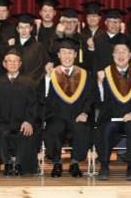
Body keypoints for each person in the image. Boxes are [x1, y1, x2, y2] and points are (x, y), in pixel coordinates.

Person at [96, 35, 131, 181]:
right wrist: (100, 84)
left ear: (130, 55)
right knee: (106, 128)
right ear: (113, 55)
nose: (120, 55)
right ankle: (104, 165)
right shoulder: (105, 73)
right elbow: (101, 100)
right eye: (117, 52)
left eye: (124, 51)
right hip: (111, 116)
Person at [42, 37, 95, 177]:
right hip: (57, 115)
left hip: (77, 115)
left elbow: (90, 97)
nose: (67, 56)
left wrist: (84, 113)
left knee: (81, 128)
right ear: (58, 55)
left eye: (70, 52)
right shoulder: (51, 74)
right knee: (54, 128)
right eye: (64, 52)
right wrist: (47, 78)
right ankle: (57, 163)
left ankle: (75, 163)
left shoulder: (84, 74)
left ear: (75, 55)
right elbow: (44, 98)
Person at [0, 47, 40, 176]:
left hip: (23, 121)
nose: (12, 63)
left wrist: (29, 121)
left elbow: (34, 104)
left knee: (26, 132)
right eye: (9, 61)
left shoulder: (29, 82)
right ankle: (7, 164)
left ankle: (19, 164)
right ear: (4, 64)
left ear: (20, 63)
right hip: (3, 121)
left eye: (15, 61)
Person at [13, 13, 49, 84]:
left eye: (26, 27)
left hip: (32, 84)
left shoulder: (38, 47)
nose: (24, 30)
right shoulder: (13, 46)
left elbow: (41, 69)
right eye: (21, 27)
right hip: (14, 84)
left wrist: (28, 81)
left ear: (31, 28)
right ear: (17, 29)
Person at [90, 8, 127, 73]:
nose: (114, 25)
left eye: (117, 22)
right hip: (102, 75)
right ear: (106, 23)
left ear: (121, 24)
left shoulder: (126, 40)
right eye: (111, 22)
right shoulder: (97, 40)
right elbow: (94, 62)